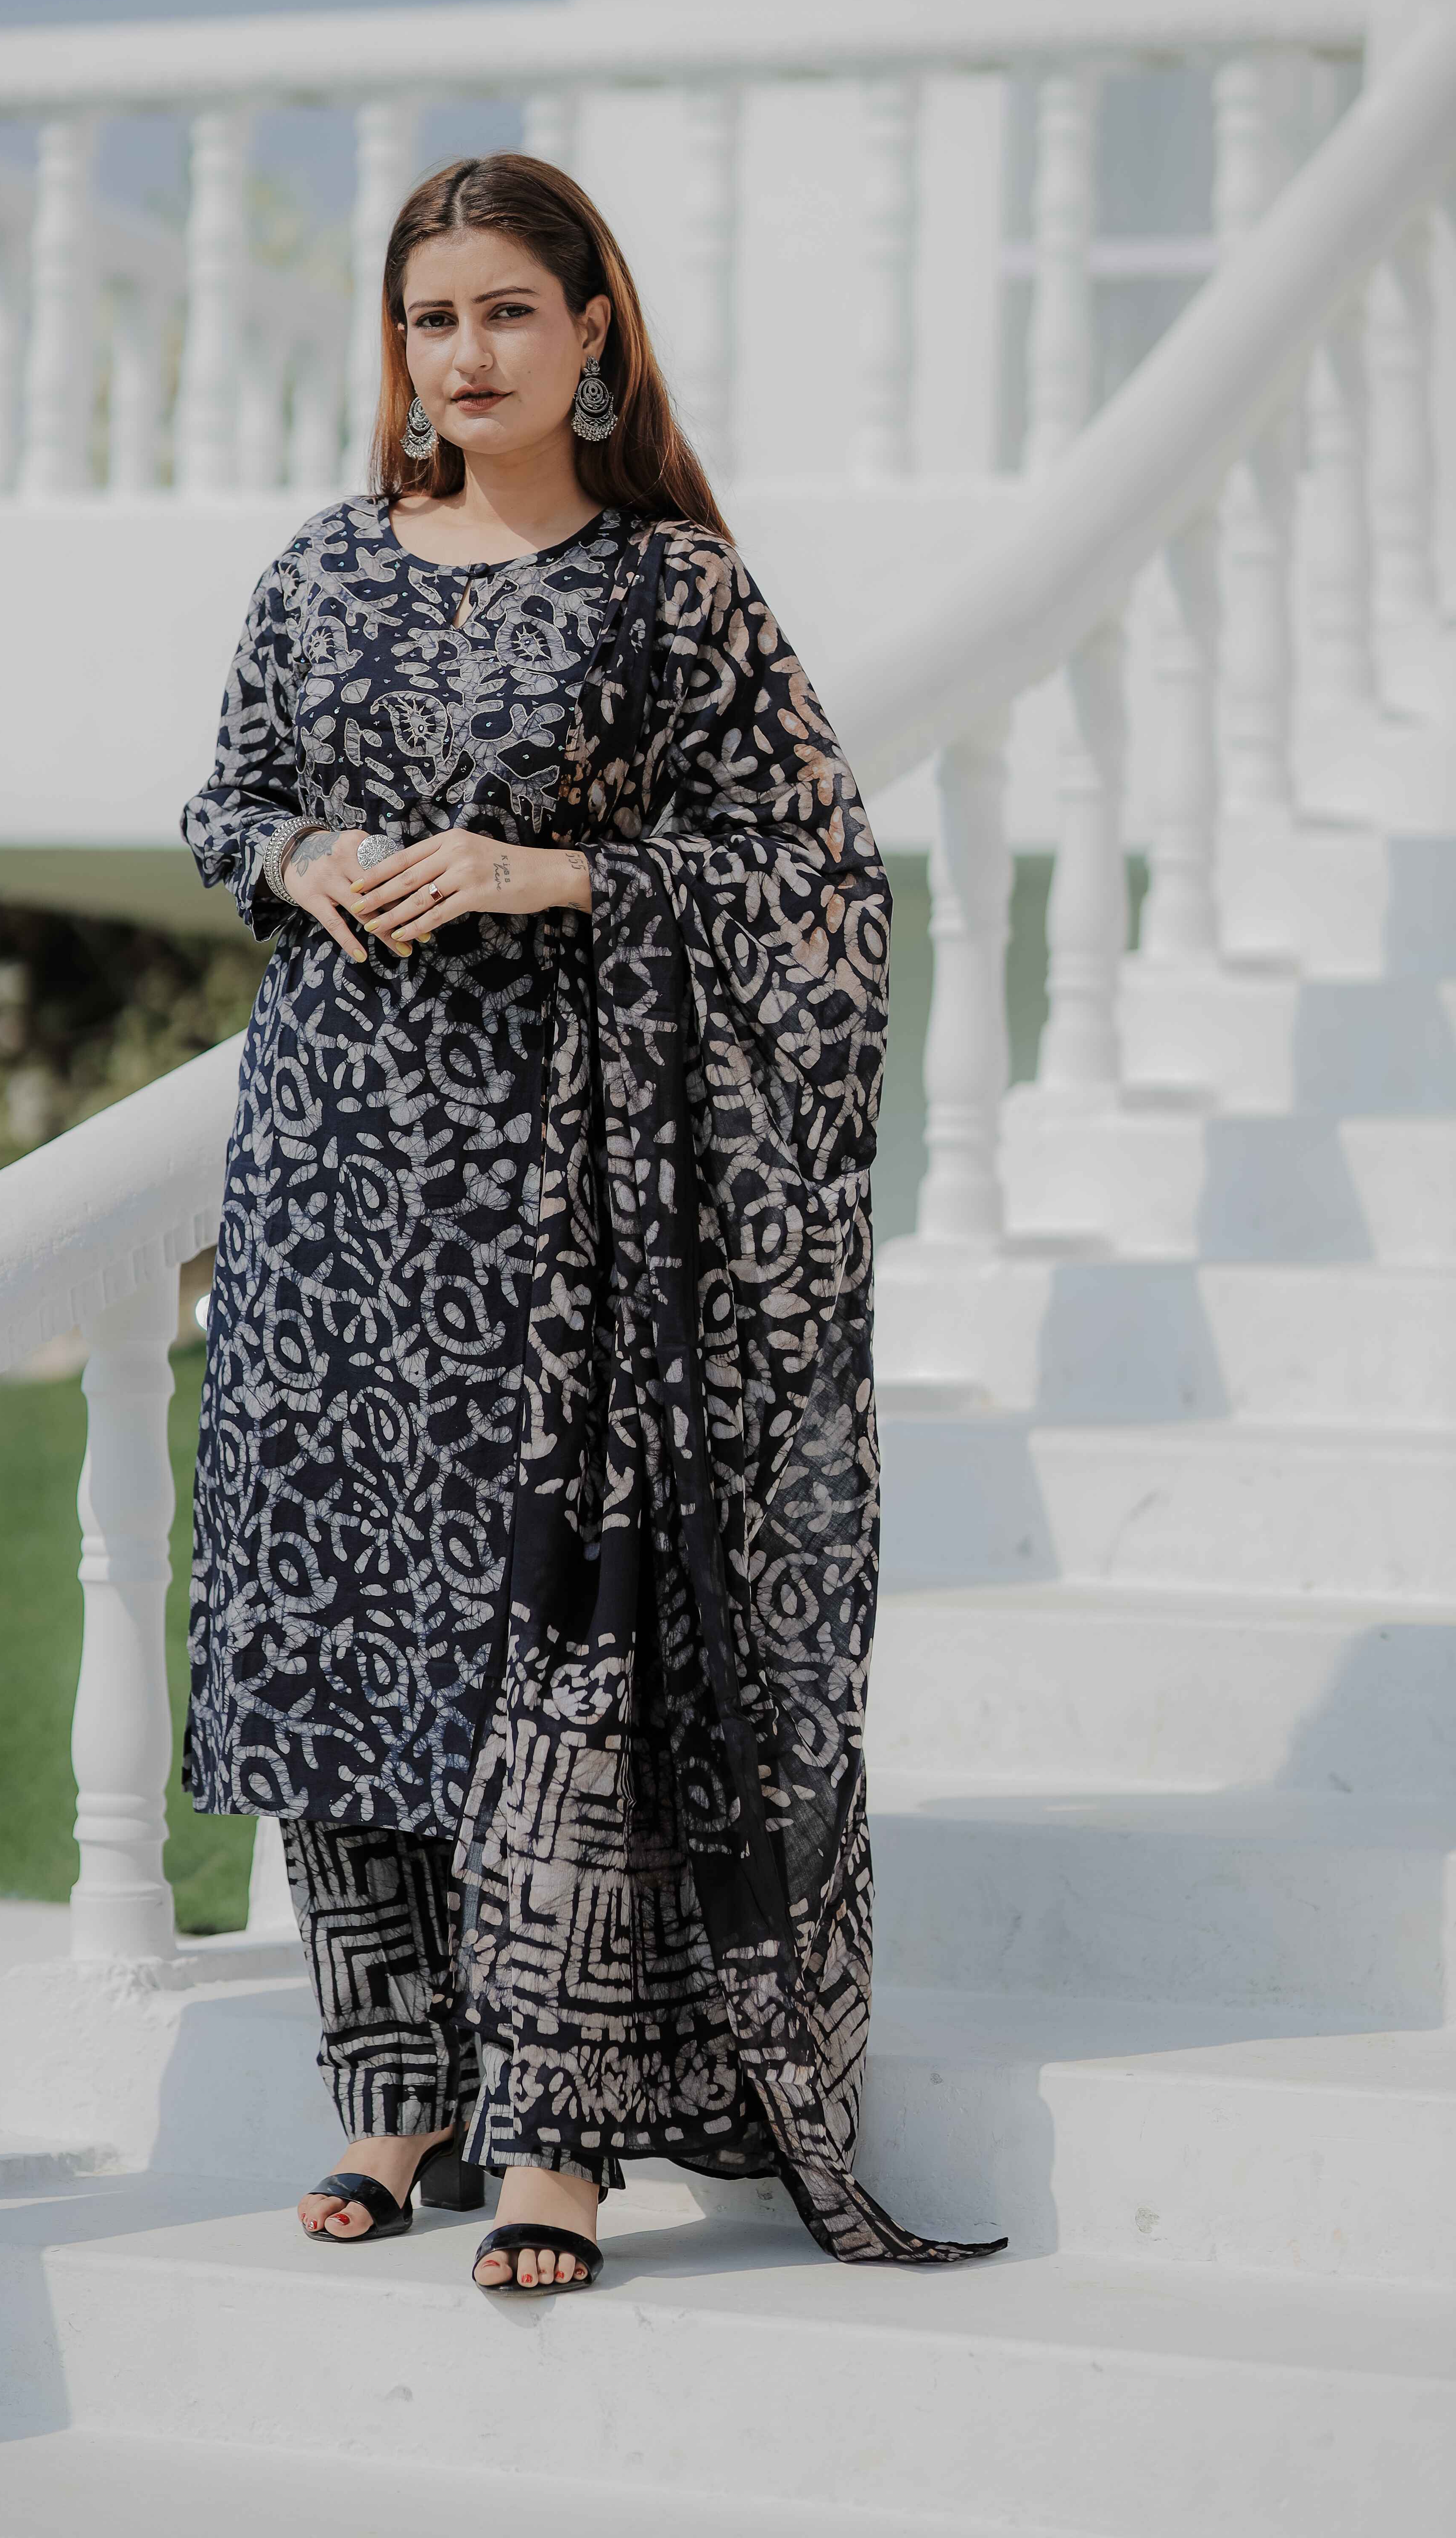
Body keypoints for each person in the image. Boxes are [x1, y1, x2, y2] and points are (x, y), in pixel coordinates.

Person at [179, 151, 1003, 2293]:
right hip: (336, 1192)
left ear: (592, 332)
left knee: (556, 1640)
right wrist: (299, 860)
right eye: (428, 320)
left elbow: (818, 879)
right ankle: (395, 2094)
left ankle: (558, 2133)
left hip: (570, 1211)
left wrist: (563, 875)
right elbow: (226, 799)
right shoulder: (321, 571)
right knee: (351, 1621)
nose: (463, 356)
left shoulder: (674, 594)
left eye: (504, 314)